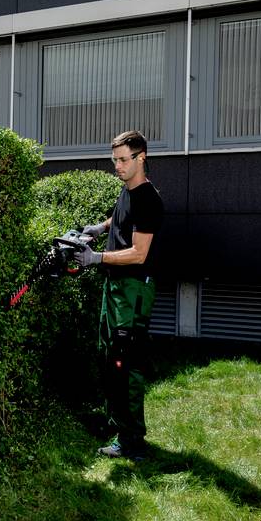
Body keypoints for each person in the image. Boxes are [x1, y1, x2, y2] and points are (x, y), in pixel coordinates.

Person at [75, 130, 164, 460]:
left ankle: (133, 443)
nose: (118, 166)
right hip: (115, 287)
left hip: (133, 290)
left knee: (127, 364)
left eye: (123, 159)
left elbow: (139, 253)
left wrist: (96, 258)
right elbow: (122, 218)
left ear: (142, 157)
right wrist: (101, 228)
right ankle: (121, 430)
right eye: (115, 160)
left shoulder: (149, 199)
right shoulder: (128, 192)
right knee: (111, 358)